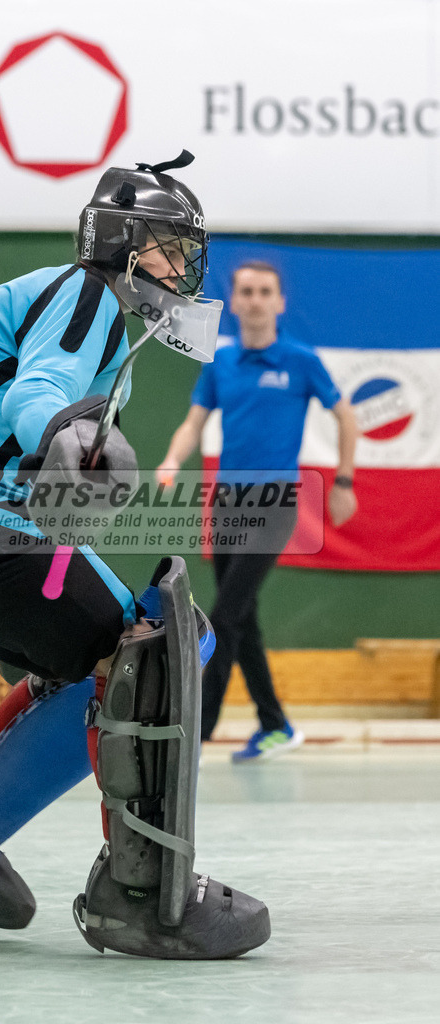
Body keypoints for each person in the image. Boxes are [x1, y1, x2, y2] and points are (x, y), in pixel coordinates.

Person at [0, 154, 271, 959]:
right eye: (169, 247)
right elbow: (35, 393)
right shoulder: (85, 295)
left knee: (103, 659)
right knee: (159, 649)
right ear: (123, 243)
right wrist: (66, 431)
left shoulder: (81, 312)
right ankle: (142, 898)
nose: (181, 267)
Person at [157, 260, 358, 761]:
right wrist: (172, 459)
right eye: (246, 291)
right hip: (227, 504)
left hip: (275, 505)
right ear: (235, 300)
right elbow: (194, 422)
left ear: (279, 302)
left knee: (225, 617)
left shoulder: (301, 361)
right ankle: (275, 724)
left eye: (265, 291)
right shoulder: (221, 363)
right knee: (242, 618)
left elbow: (346, 417)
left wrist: (344, 482)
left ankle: (196, 733)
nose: (255, 300)